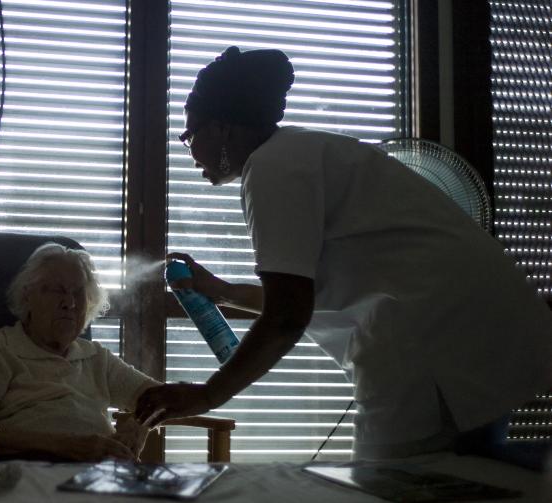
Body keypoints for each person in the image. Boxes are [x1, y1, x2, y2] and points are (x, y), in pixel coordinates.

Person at [134, 46, 552, 469]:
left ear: (222, 128)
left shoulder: (272, 168)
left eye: (190, 134)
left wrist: (207, 395)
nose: (189, 149)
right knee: (468, 475)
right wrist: (219, 292)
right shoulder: (300, 151)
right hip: (475, 331)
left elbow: (287, 316)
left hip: (433, 341)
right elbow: (301, 297)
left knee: (389, 481)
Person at [0, 243, 158, 461]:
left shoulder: (96, 357)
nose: (70, 303)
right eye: (57, 290)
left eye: (78, 293)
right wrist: (64, 446)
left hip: (100, 475)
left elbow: (160, 398)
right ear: (28, 296)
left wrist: (140, 424)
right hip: (30, 475)